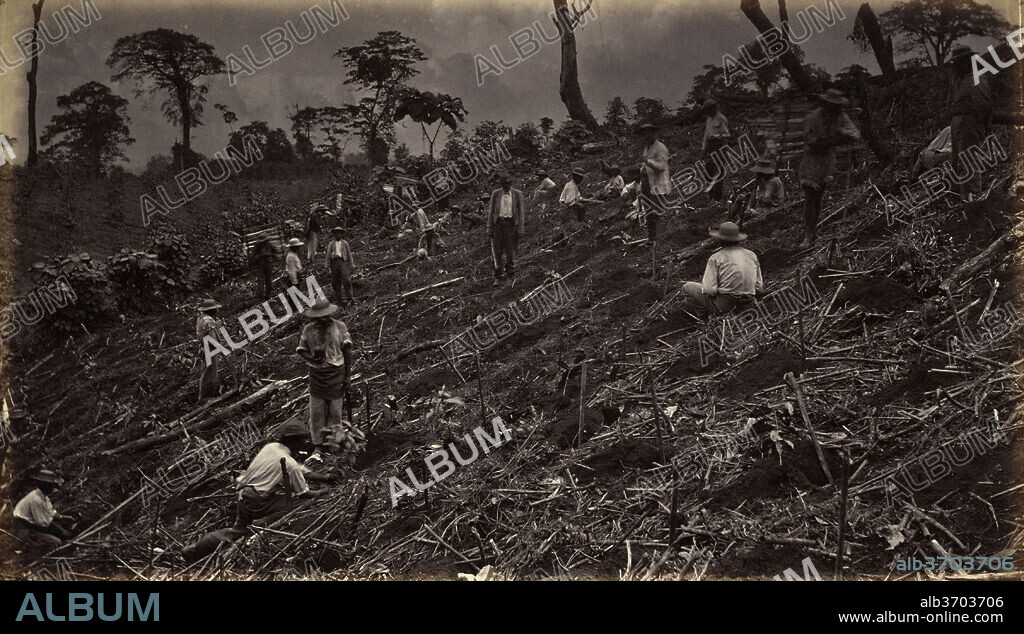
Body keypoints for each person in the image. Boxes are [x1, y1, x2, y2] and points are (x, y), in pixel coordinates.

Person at [233, 420, 330, 528]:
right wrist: (323, 492)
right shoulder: (290, 464)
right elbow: (303, 493)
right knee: (299, 503)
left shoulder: (271, 447)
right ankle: (263, 523)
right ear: (293, 441)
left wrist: (325, 478)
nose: (306, 441)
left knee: (237, 531)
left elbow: (302, 470)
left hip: (243, 498)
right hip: (257, 503)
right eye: (302, 438)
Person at [799, 88, 861, 247]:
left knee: (818, 196)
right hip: (812, 159)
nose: (835, 109)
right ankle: (808, 233)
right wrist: (834, 138)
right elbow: (810, 140)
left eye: (837, 106)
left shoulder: (840, 116)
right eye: (832, 105)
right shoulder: (814, 117)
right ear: (826, 104)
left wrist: (843, 133)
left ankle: (814, 231)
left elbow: (855, 134)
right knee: (810, 196)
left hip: (827, 159)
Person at [296, 300, 353, 451]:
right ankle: (318, 445)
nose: (324, 319)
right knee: (316, 413)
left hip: (336, 374)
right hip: (317, 377)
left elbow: (347, 351)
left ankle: (334, 443)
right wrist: (312, 358)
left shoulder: (339, 327)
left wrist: (348, 376)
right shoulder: (309, 330)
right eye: (320, 317)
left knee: (335, 412)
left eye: (326, 316)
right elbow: (302, 349)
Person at [682, 222, 763, 318]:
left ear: (720, 240)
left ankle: (705, 319)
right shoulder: (751, 255)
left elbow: (709, 290)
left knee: (687, 287)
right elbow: (759, 287)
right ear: (738, 239)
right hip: (748, 305)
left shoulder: (716, 258)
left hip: (725, 307)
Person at [948, 45, 993, 199]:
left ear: (967, 61)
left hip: (969, 122)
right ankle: (962, 198)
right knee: (959, 162)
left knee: (969, 162)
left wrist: (981, 126)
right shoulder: (963, 80)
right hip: (960, 122)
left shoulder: (976, 79)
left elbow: (983, 107)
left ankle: (973, 200)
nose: (956, 66)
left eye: (958, 62)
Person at [13, 470, 73, 549]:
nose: (53, 488)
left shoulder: (43, 496)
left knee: (61, 527)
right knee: (57, 542)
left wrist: (63, 517)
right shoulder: (36, 499)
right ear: (44, 485)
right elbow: (43, 523)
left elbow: (50, 512)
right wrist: (62, 531)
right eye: (52, 486)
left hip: (34, 524)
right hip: (26, 529)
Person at [488, 173, 527, 286]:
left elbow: (521, 213)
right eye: (504, 184)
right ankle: (498, 276)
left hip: (511, 225)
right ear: (501, 184)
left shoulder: (517, 194)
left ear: (511, 184)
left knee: (510, 251)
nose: (506, 186)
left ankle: (510, 274)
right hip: (498, 225)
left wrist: (521, 228)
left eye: (508, 184)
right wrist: (489, 228)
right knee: (497, 251)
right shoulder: (495, 194)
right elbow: (491, 212)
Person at [639, 123, 672, 242]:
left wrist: (648, 162)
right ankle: (652, 238)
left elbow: (661, 167)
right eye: (644, 134)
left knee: (658, 212)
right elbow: (645, 163)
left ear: (653, 133)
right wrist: (643, 168)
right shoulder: (647, 147)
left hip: (658, 184)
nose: (646, 136)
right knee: (648, 212)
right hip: (647, 183)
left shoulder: (660, 148)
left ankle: (663, 239)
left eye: (648, 133)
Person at [732, 158, 785, 228]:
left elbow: (766, 199)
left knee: (747, 223)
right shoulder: (761, 178)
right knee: (741, 199)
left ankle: (737, 227)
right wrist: (749, 206)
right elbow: (754, 190)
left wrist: (752, 211)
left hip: (771, 208)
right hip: (761, 204)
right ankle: (731, 223)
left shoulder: (772, 181)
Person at [702, 99, 730, 202]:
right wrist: (704, 149)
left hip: (719, 146)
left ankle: (718, 198)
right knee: (708, 171)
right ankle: (710, 196)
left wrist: (722, 151)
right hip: (711, 147)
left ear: (714, 108)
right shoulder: (709, 119)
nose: (708, 112)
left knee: (718, 173)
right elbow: (706, 135)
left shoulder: (721, 118)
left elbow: (725, 136)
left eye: (709, 110)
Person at [196, 298, 224, 402]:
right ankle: (206, 397)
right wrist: (220, 348)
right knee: (210, 372)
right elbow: (212, 337)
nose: (217, 311)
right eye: (215, 309)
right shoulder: (209, 321)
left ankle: (204, 396)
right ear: (211, 310)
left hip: (203, 347)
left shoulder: (201, 319)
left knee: (206, 371)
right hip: (209, 348)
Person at [325, 226, 355, 305]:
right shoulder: (331, 243)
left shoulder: (345, 243)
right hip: (334, 263)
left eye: (339, 233)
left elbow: (349, 254)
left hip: (343, 262)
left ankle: (350, 298)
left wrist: (352, 264)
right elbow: (328, 255)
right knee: (335, 282)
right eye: (336, 233)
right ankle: (339, 299)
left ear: (342, 234)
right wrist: (326, 266)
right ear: (334, 234)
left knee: (347, 280)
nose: (338, 235)